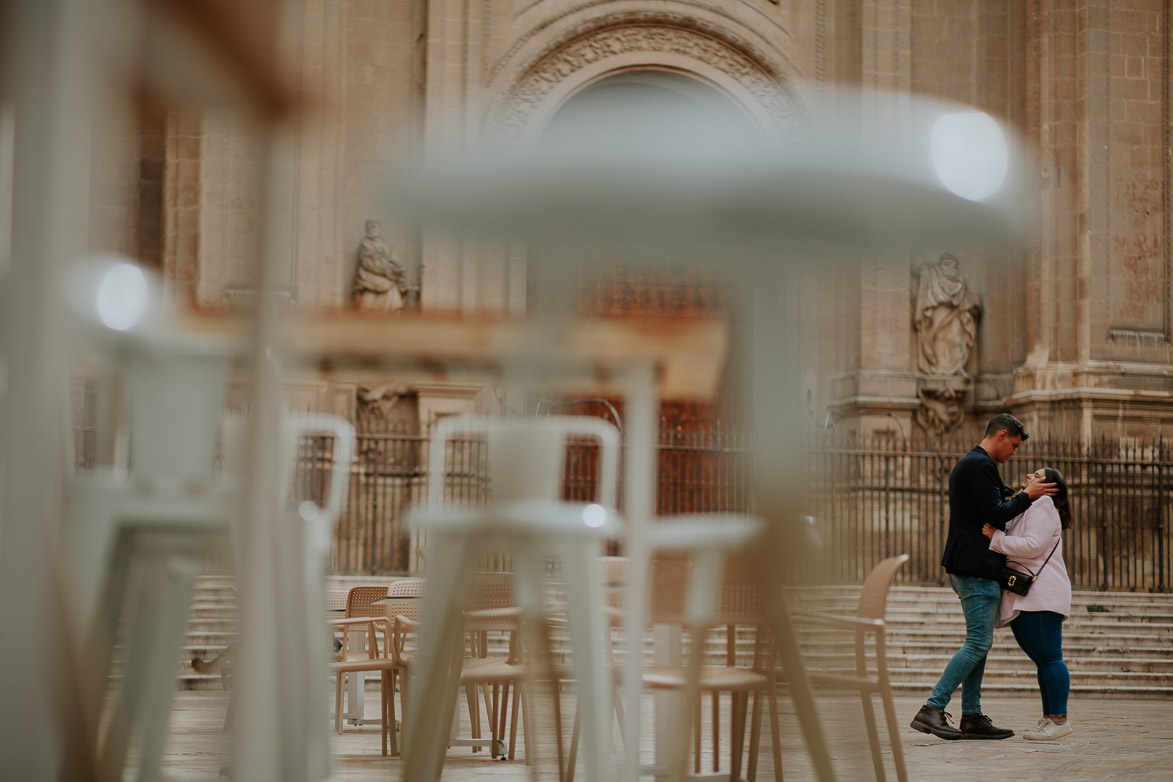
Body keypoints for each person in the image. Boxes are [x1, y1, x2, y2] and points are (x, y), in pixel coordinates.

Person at [910, 413, 1056, 740]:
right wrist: (1028, 496)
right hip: (974, 567)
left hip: (974, 567)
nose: (1014, 453)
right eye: (1015, 446)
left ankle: (972, 716)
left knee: (980, 644)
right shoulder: (979, 465)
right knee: (978, 642)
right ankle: (932, 708)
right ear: (1002, 435)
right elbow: (997, 513)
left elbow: (999, 499)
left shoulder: (977, 465)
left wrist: (1021, 492)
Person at [982, 466, 1073, 740]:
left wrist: (995, 538)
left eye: (1037, 475)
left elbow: (1033, 545)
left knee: (1050, 657)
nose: (1029, 476)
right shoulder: (1030, 505)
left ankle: (1059, 720)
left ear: (1050, 488)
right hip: (1029, 595)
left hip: (1042, 595)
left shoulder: (1043, 504)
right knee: (1042, 659)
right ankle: (1049, 717)